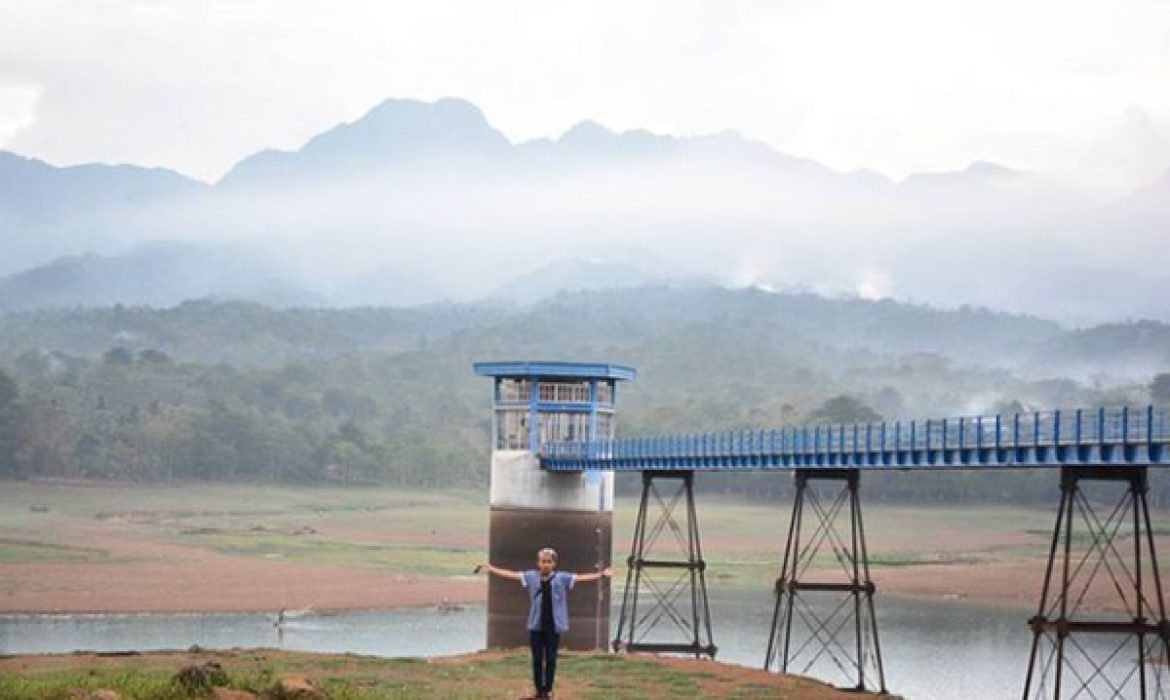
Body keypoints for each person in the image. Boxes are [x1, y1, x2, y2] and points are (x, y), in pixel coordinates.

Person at [478, 548, 614, 699]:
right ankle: (538, 691)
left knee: (550, 658)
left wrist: (601, 574)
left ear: (554, 564)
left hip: (554, 626)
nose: (546, 565)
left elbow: (581, 578)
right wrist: (490, 568)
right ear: (538, 563)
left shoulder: (562, 578)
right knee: (537, 659)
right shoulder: (531, 577)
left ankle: (548, 690)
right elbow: (512, 575)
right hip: (536, 625)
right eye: (543, 561)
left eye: (549, 562)